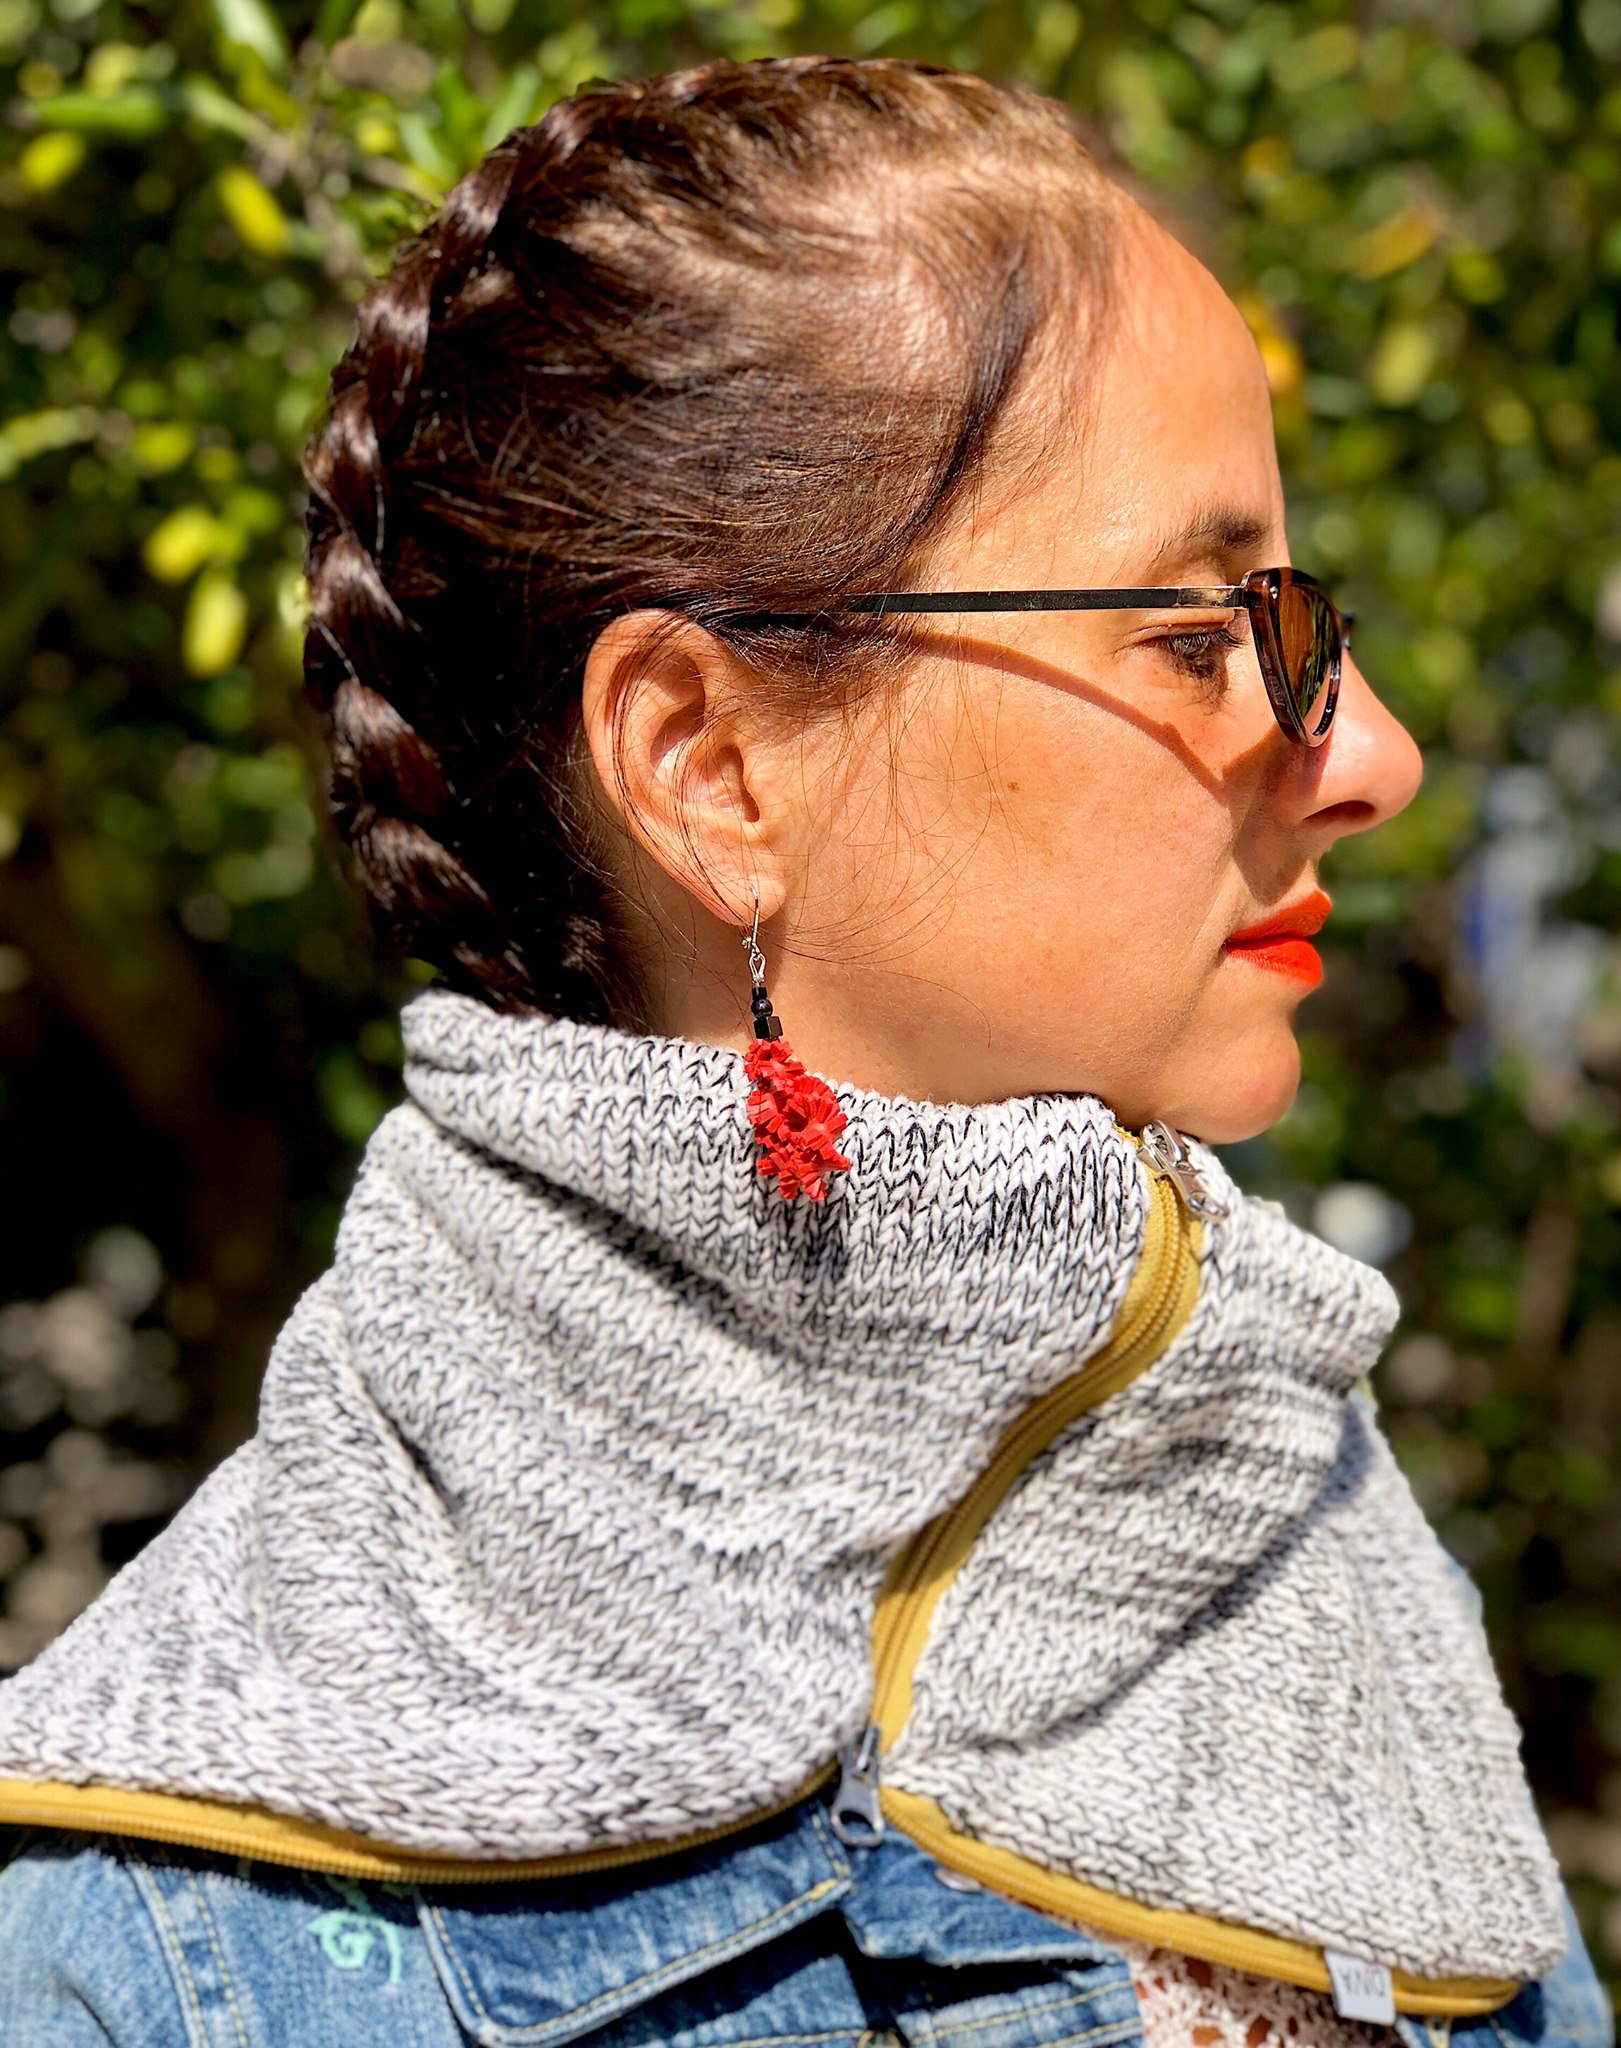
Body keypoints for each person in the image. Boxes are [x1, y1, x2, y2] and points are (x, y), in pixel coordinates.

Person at [0, 53, 1608, 2048]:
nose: (1368, 751)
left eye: (1304, 623)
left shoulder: (1309, 1515)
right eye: (1206, 637)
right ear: (711, 765)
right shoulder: (155, 1932)